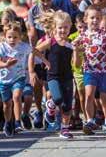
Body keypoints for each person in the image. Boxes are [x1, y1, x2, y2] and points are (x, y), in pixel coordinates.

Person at [72, 5, 106, 138]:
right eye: (92, 17)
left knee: (104, 97)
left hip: (105, 70)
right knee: (89, 94)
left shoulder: (104, 34)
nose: (95, 20)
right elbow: (73, 47)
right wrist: (76, 50)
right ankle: (89, 121)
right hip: (90, 70)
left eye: (98, 18)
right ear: (86, 19)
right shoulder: (82, 36)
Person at [0, 21, 49, 137]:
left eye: (15, 37)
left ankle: (17, 122)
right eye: (9, 37)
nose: (12, 40)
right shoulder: (2, 46)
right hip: (4, 80)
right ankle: (8, 122)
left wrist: (45, 61)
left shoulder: (24, 47)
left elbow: (35, 51)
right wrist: (6, 65)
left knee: (17, 96)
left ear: (20, 37)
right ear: (5, 37)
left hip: (19, 77)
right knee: (6, 104)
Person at [31, 10, 77, 139]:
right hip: (53, 76)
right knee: (57, 99)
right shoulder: (51, 41)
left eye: (66, 27)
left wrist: (77, 51)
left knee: (67, 105)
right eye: (60, 27)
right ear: (55, 28)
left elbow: (76, 63)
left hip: (67, 76)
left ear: (70, 27)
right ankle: (50, 106)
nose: (63, 30)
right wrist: (45, 61)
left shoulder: (71, 43)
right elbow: (35, 51)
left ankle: (65, 129)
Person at [28, 0, 59, 128]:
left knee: (49, 87)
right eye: (43, 0)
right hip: (39, 50)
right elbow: (32, 33)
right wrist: (33, 55)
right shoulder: (33, 11)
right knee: (37, 83)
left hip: (52, 51)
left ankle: (50, 112)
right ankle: (39, 111)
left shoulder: (57, 10)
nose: (46, 3)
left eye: (48, 0)